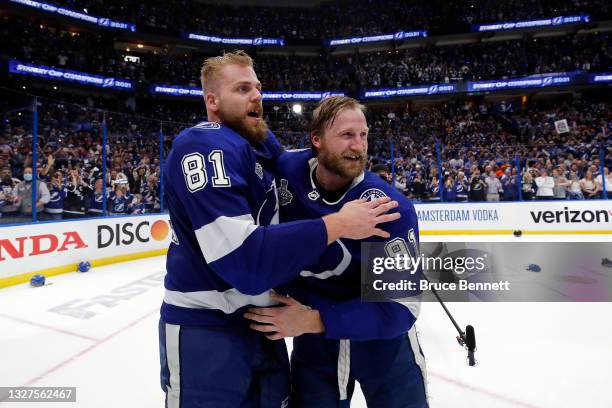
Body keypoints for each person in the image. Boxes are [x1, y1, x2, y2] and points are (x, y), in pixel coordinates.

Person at [159, 50, 400, 408]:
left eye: (257, 87)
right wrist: (338, 223)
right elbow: (244, 263)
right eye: (242, 89)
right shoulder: (205, 144)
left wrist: (359, 179)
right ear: (212, 100)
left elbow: (303, 160)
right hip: (206, 329)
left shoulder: (256, 147)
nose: (257, 95)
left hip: (264, 326)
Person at [245, 96, 427, 407]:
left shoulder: (389, 209)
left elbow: (400, 308)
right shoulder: (289, 169)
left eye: (364, 135)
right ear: (316, 139)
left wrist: (311, 321)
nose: (358, 146)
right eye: (346, 135)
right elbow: (251, 130)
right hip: (316, 347)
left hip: (380, 340)